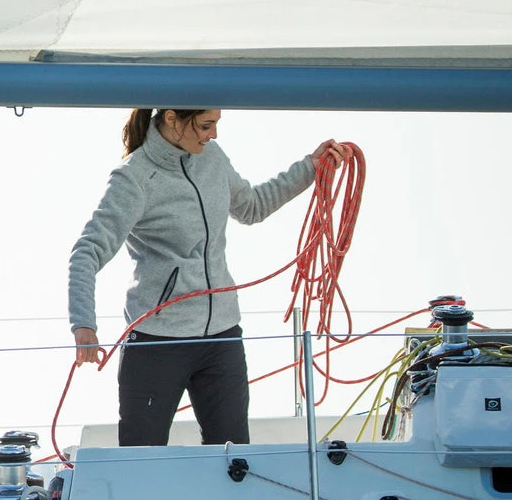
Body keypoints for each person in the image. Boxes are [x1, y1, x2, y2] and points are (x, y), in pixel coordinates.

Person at [68, 108, 345, 447]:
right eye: (205, 125)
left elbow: (252, 206)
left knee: (233, 462)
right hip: (158, 344)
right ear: (172, 119)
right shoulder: (134, 178)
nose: (212, 135)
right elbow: (87, 251)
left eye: (215, 125)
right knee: (142, 462)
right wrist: (84, 324)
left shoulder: (211, 157)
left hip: (222, 340)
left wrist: (310, 168)